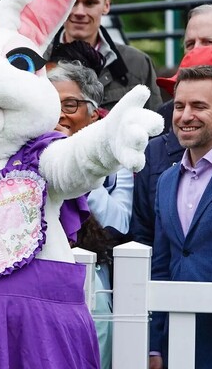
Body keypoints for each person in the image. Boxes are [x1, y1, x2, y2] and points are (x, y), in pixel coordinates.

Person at [49, 60, 133, 369]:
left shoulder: (115, 159)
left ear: (94, 113)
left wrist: (83, 168)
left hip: (95, 285)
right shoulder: (27, 157)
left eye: (70, 105)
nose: (59, 114)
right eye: (51, 104)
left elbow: (118, 224)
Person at [149, 65, 212, 369]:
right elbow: (162, 266)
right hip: (179, 342)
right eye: (179, 106)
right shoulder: (166, 181)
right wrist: (154, 345)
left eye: (198, 106)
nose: (185, 116)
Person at [130, 6, 212, 246]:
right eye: (190, 44)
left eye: (209, 42)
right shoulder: (159, 132)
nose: (197, 51)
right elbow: (145, 237)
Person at [46, 0, 162, 111]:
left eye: (90, 3)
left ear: (106, 5)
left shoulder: (137, 64)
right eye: (73, 1)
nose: (79, 12)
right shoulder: (37, 62)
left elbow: (156, 121)